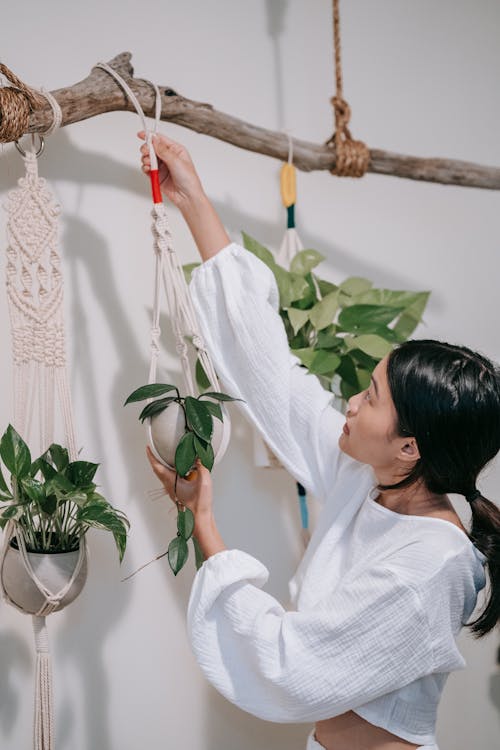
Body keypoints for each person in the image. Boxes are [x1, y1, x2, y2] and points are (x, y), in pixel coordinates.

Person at [138, 132, 500, 750]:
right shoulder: (370, 479)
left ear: (410, 447)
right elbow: (272, 375)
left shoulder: (430, 569)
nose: (353, 400)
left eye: (375, 397)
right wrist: (191, 196)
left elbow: (291, 662)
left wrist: (204, 520)